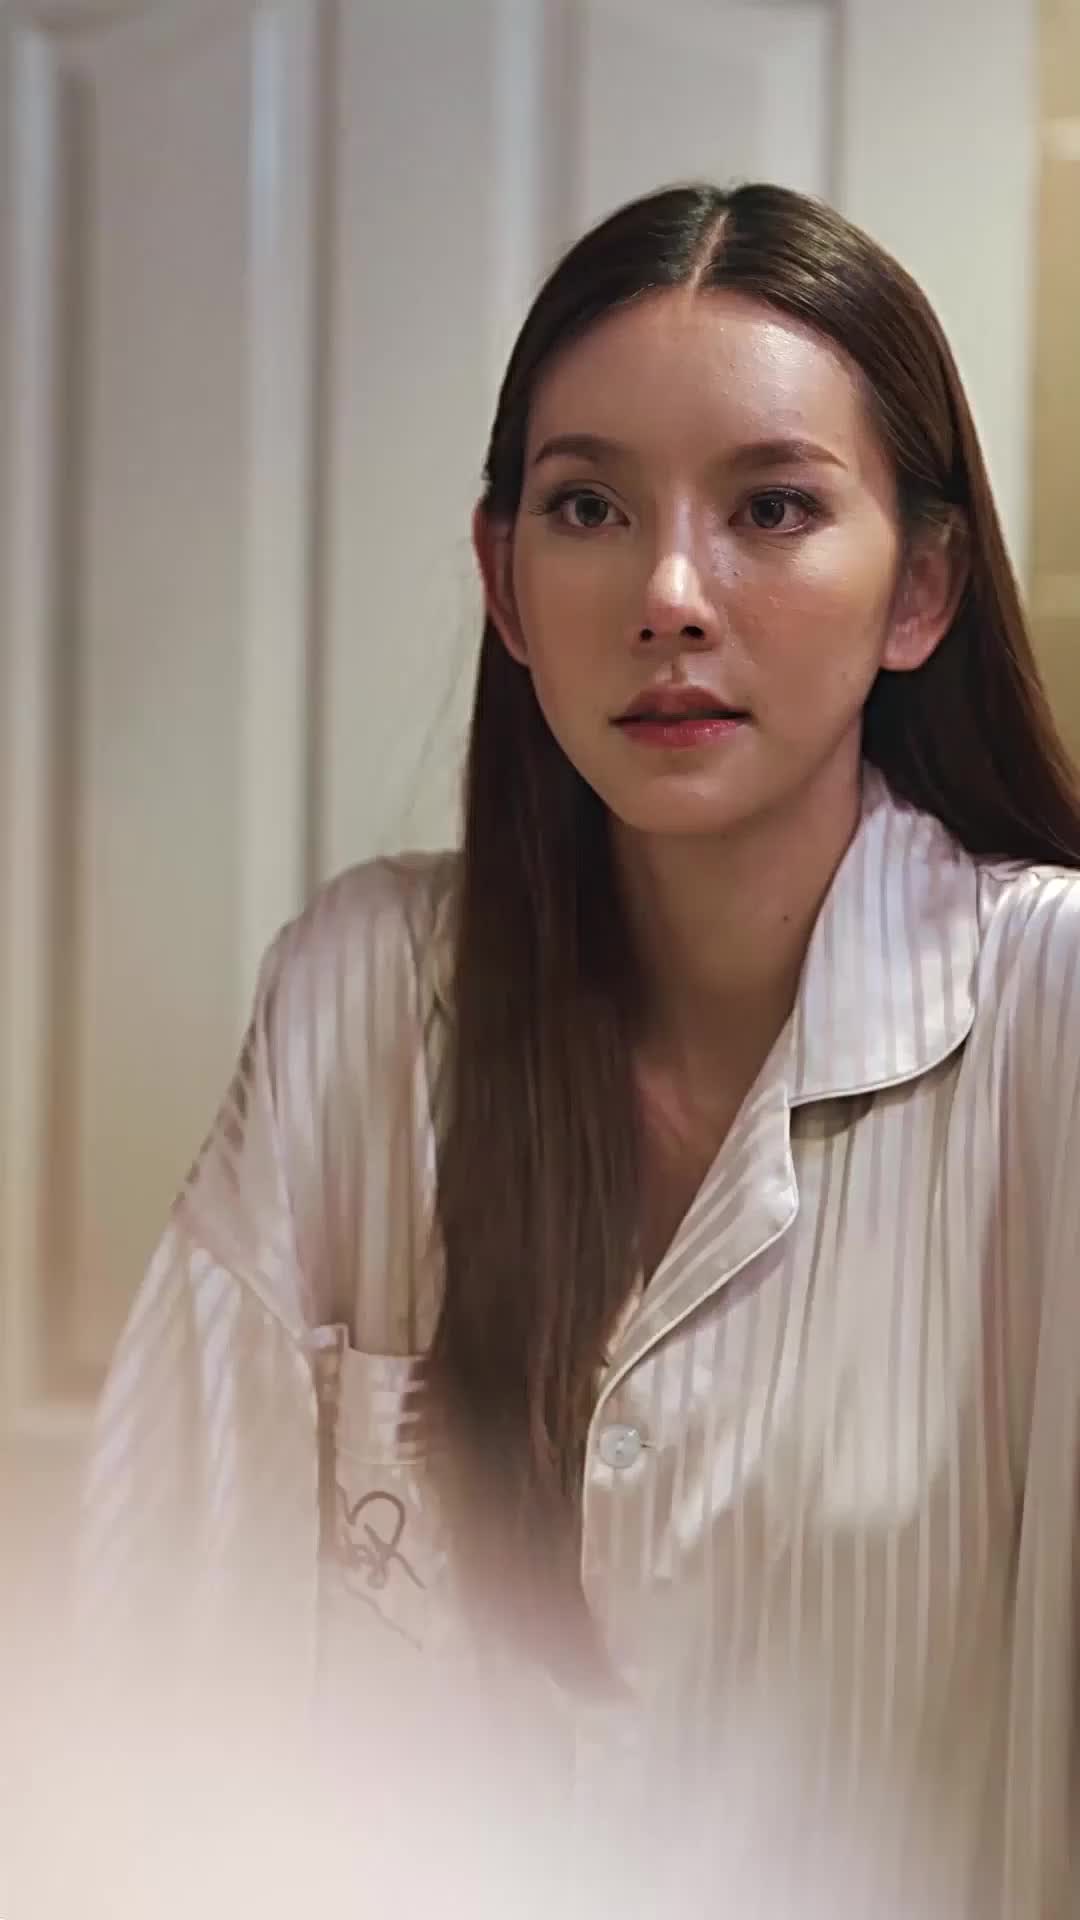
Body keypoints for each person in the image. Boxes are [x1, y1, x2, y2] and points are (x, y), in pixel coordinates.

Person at [78, 181, 1080, 1916]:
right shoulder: (362, 994)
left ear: (920, 587)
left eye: (773, 507)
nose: (670, 594)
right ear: (507, 584)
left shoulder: (1050, 1011)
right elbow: (153, 1670)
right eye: (590, 507)